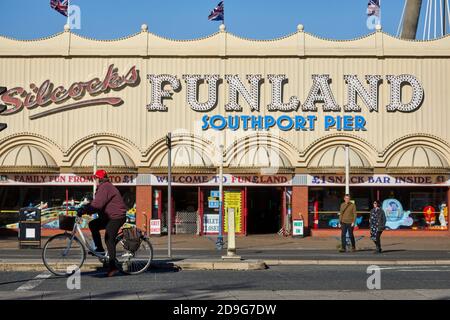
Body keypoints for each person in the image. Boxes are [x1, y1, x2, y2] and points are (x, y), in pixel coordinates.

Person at [77, 169, 127, 277]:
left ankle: (113, 267)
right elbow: (98, 204)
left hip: (116, 217)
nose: (94, 180)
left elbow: (97, 205)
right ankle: (99, 249)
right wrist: (86, 208)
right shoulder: (103, 187)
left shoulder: (105, 187)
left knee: (109, 238)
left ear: (99, 179)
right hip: (109, 217)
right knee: (93, 224)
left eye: (95, 178)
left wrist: (84, 210)